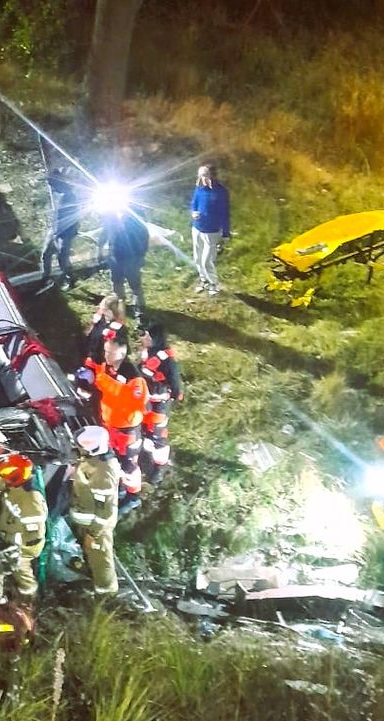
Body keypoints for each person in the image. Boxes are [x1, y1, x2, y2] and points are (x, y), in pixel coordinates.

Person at [81, 336, 148, 511]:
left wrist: (100, 380)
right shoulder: (108, 369)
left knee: (129, 465)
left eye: (111, 351)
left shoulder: (134, 378)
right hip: (110, 425)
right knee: (114, 460)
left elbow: (129, 400)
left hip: (127, 431)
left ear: (123, 352)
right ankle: (119, 490)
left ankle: (133, 496)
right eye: (106, 350)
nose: (107, 354)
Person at [0, 452, 47, 605]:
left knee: (20, 570)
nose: (4, 477)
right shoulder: (16, 485)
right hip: (7, 537)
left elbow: (33, 534)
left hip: (21, 546)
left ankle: (28, 597)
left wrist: (15, 550)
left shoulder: (31, 499)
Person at [68, 426, 120, 595]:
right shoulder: (96, 460)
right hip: (87, 522)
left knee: (101, 558)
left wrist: (94, 534)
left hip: (97, 527)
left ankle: (105, 592)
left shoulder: (105, 472)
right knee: (91, 552)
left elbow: (105, 511)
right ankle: (92, 576)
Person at [138, 324, 184, 484]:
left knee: (158, 437)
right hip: (145, 401)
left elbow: (176, 388)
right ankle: (144, 458)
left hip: (159, 406)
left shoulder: (168, 360)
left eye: (147, 337)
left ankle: (159, 468)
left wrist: (170, 396)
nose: (144, 339)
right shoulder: (149, 352)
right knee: (144, 430)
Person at [189, 163, 231, 295]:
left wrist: (225, 233)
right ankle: (204, 281)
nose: (201, 178)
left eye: (204, 175)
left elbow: (225, 213)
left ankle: (213, 284)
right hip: (197, 228)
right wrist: (193, 213)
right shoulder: (199, 189)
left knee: (207, 260)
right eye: (200, 175)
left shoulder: (221, 192)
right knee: (197, 258)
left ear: (212, 175)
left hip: (212, 231)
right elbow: (193, 204)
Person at [102, 208, 150, 319]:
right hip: (119, 258)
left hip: (128, 259)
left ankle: (137, 311)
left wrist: (139, 256)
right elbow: (109, 235)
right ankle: (124, 308)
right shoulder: (117, 219)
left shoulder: (135, 222)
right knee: (121, 284)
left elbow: (143, 240)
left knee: (133, 286)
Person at [41, 167, 81, 287]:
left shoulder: (69, 196)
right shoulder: (58, 195)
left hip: (64, 233)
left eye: (52, 184)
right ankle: (46, 278)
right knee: (46, 254)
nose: (52, 188)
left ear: (58, 183)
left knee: (62, 258)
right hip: (54, 230)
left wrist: (64, 234)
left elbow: (73, 217)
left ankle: (70, 279)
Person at [82, 293, 128, 364]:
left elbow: (108, 348)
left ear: (112, 311)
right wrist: (92, 324)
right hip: (90, 349)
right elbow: (90, 333)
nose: (101, 311)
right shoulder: (102, 318)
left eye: (104, 309)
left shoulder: (116, 328)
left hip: (100, 358)